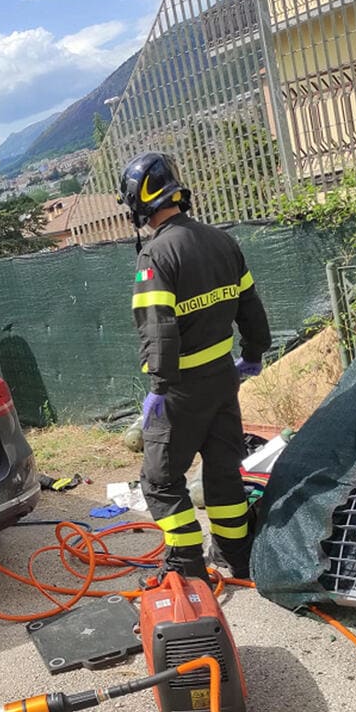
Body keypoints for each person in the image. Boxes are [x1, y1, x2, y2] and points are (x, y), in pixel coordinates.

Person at [119, 152, 271, 582]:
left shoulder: (156, 255)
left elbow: (158, 328)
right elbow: (251, 307)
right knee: (223, 472)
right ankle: (235, 555)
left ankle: (186, 564)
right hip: (224, 380)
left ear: (137, 201)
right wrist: (255, 354)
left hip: (180, 388)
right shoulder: (222, 241)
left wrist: (159, 388)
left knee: (160, 481)